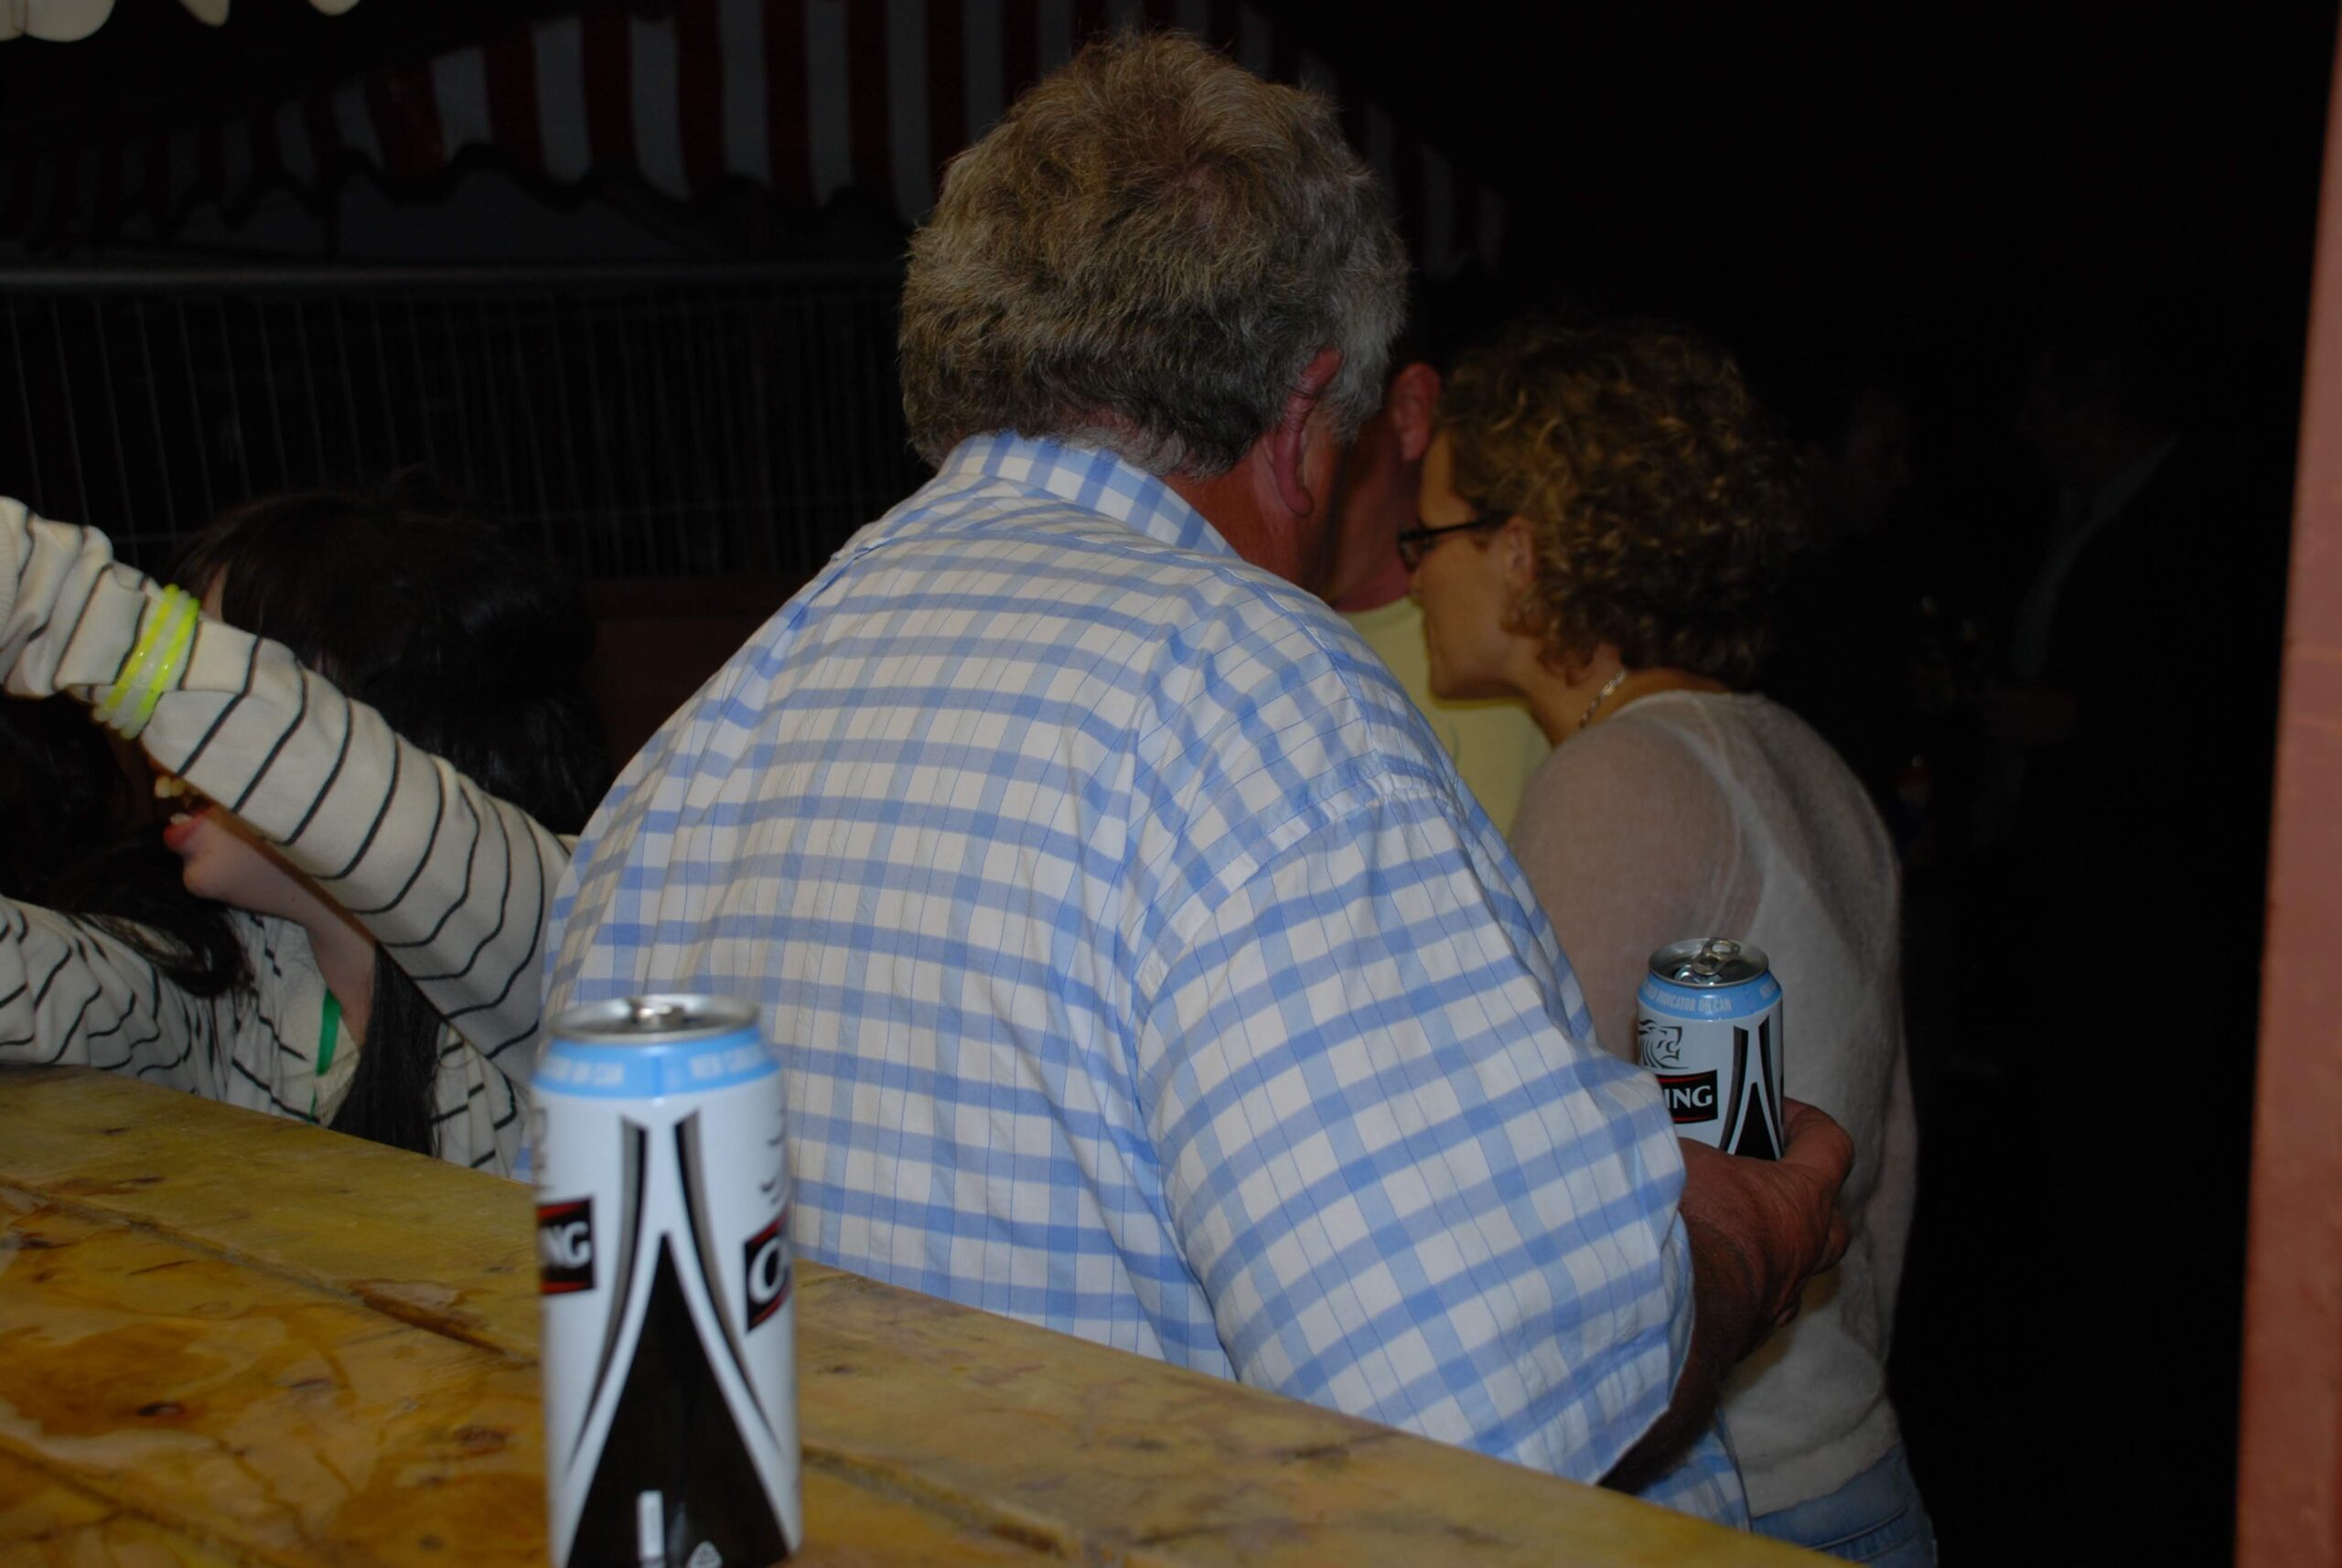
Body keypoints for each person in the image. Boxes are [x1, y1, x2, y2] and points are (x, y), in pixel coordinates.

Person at [547, 31, 1849, 1524]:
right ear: (1300, 424)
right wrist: (1745, 1235)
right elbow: (1472, 1424)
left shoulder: (695, 748)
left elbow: (642, 1412)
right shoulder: (1251, 703)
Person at [1403, 317, 1930, 1563]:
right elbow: (1889, 1153)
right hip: (1846, 1459)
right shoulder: (1798, 756)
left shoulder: (1619, 778)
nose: (1410, 575)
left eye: (1428, 537)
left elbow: (1530, 1182)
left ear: (1521, 552)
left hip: (1726, 1489)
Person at [0, 482, 602, 1176]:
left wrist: (53, 599)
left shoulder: (573, 941)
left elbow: (390, 824)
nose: (164, 735)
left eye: (235, 666)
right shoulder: (236, 984)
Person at [1331, 359, 1551, 833]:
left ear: (1410, 412)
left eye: (1318, 425)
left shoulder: (1528, 642)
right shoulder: (1246, 643)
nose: (1289, 470)